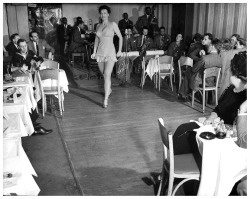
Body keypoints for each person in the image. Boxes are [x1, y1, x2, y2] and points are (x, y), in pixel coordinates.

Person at [173, 51, 247, 155]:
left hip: (226, 138)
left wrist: (218, 124)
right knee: (182, 129)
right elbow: (218, 109)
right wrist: (210, 119)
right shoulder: (231, 89)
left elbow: (240, 130)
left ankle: (176, 166)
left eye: (231, 68)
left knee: (185, 140)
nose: (228, 70)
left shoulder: (246, 98)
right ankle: (170, 167)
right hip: (216, 128)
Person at [91, 5, 123, 108]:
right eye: (101, 13)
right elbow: (96, 39)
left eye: (105, 13)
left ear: (108, 14)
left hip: (110, 52)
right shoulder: (98, 26)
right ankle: (108, 89)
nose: (103, 15)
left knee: (107, 74)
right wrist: (94, 52)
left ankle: (105, 99)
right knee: (104, 75)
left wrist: (119, 51)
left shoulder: (113, 24)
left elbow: (120, 37)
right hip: (100, 53)